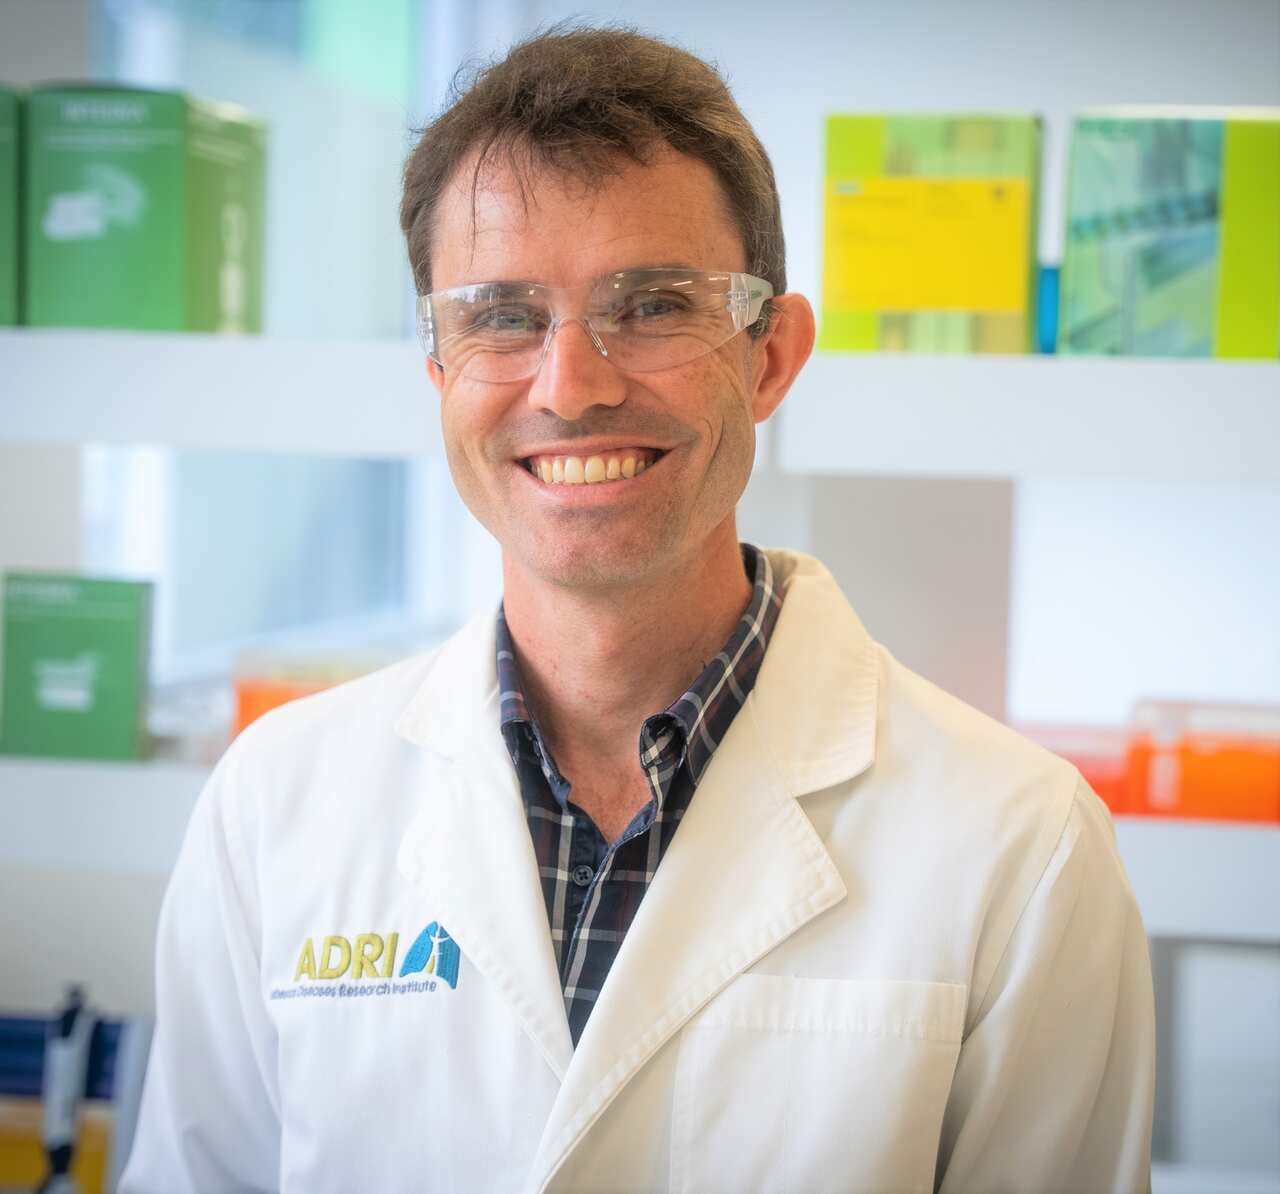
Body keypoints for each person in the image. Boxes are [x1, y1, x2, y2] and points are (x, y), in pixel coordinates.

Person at [121, 25, 1156, 1194]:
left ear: (770, 358)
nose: (571, 387)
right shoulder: (275, 805)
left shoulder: (1018, 844)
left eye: (652, 305)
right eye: (499, 317)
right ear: (440, 372)